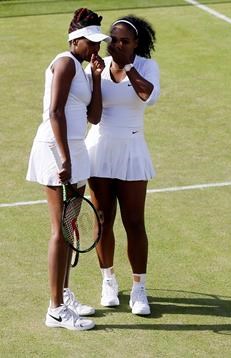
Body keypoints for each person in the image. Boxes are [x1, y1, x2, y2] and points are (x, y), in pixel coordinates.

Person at [26, 8, 109, 331]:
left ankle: (63, 293)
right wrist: (64, 159)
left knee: (70, 226)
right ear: (75, 40)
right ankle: (55, 309)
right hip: (55, 150)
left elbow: (95, 116)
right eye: (91, 42)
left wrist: (98, 78)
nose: (96, 48)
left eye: (98, 42)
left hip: (75, 148)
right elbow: (55, 111)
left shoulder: (84, 69)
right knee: (59, 231)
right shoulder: (64, 63)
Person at [85, 15, 160, 316]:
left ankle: (139, 288)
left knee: (134, 222)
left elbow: (147, 96)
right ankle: (108, 281)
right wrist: (94, 77)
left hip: (132, 150)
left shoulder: (145, 66)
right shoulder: (98, 67)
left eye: (124, 41)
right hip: (100, 149)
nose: (116, 45)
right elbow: (93, 112)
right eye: (113, 40)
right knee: (103, 219)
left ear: (136, 43)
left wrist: (127, 68)